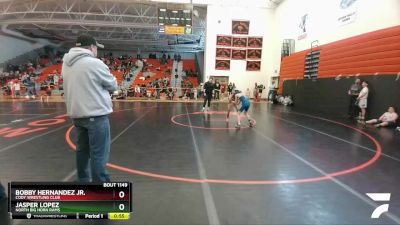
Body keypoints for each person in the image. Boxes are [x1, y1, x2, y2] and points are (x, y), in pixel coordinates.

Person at [62, 35, 117, 182]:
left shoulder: (66, 63)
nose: (97, 50)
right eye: (96, 47)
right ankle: (101, 187)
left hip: (77, 114)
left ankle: (84, 180)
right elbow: (113, 85)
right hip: (95, 114)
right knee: (99, 153)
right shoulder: (94, 63)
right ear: (91, 47)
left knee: (82, 150)